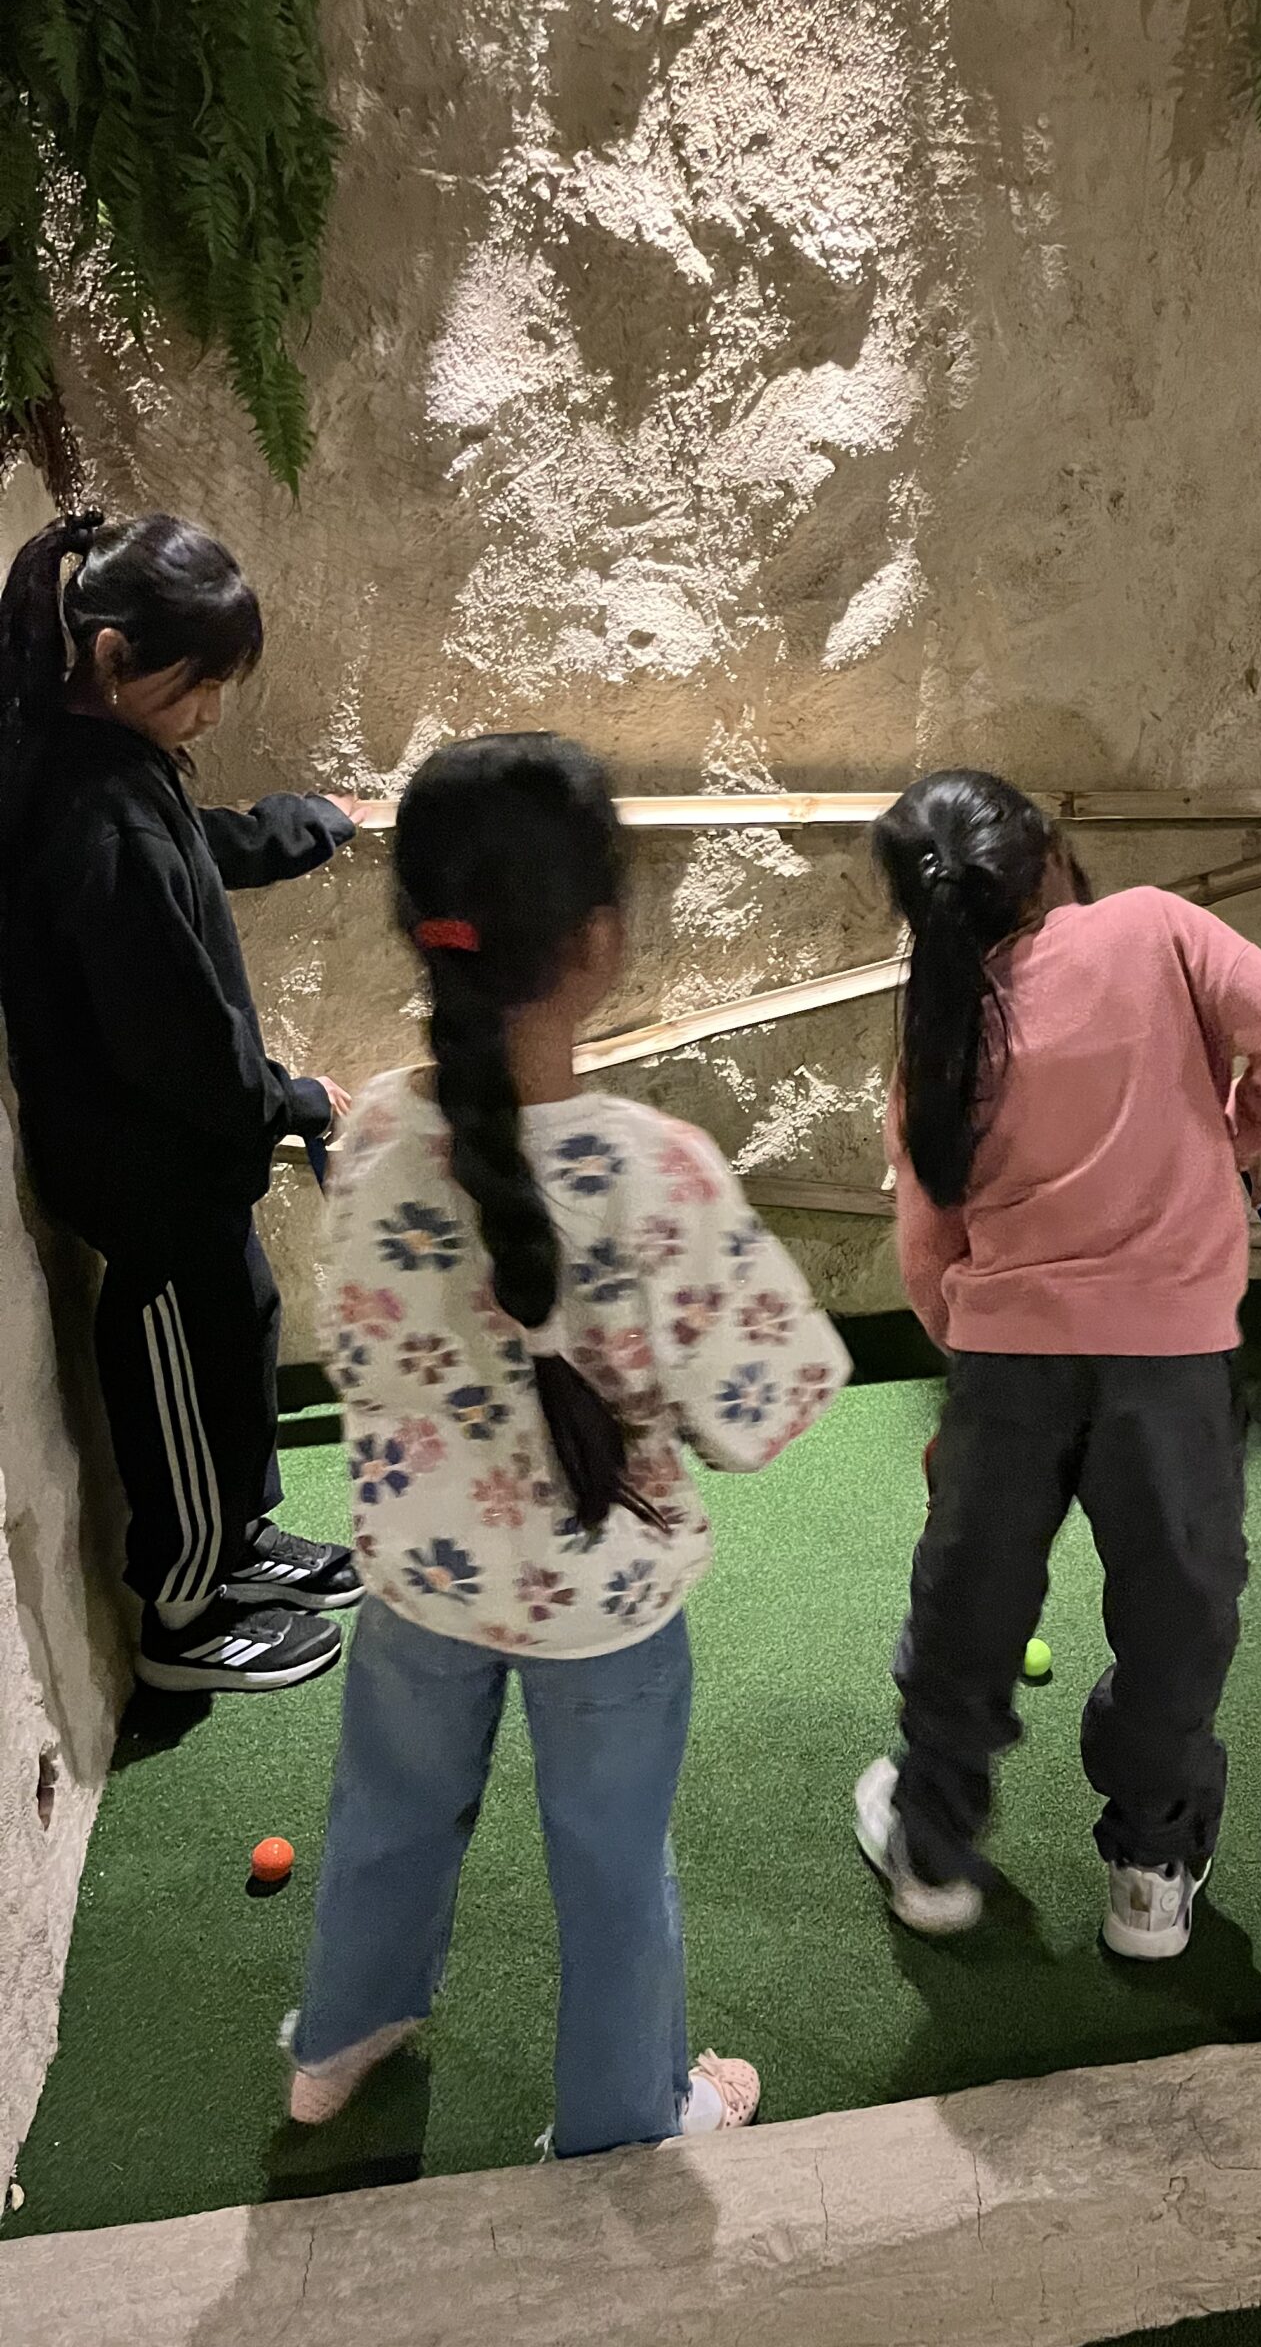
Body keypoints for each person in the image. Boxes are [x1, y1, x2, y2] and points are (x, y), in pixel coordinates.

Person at [288, 733, 849, 2154]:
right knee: (611, 1868)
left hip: (417, 1579)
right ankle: (625, 2114)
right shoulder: (659, 1175)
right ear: (597, 943)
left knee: (388, 1817)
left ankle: (340, 2041)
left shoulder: (372, 1135)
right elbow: (766, 1408)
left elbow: (357, 1338)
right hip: (601, 1609)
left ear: (424, 934)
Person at [856, 770, 1261, 1960]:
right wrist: (1239, 1138)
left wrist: (973, 1359)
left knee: (970, 1606)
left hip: (1006, 1366)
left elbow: (930, 1253)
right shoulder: (1153, 926)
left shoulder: (937, 1029)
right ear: (1049, 858)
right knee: (1178, 1613)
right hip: (1173, 1361)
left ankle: (933, 1847)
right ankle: (1152, 1862)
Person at [0, 510, 364, 1693]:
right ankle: (184, 1612)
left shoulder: (110, 765)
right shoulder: (85, 807)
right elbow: (177, 1040)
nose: (211, 709)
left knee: (238, 1330)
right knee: (175, 1370)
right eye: (196, 684)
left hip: (190, 1166)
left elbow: (183, 850)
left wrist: (284, 832)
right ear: (110, 656)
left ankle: (241, 1535)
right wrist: (292, 1097)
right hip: (145, 1174)